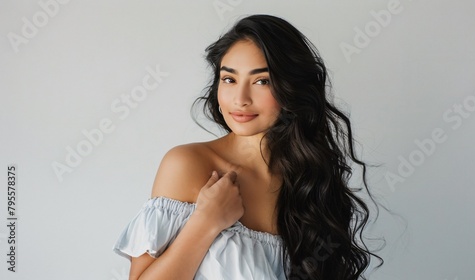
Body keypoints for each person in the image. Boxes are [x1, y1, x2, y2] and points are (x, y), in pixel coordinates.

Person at [113, 14, 381, 279]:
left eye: (262, 81)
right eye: (229, 79)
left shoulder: (310, 184)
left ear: (292, 89)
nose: (240, 99)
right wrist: (206, 222)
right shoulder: (189, 165)